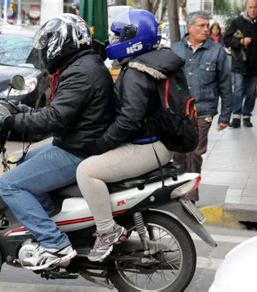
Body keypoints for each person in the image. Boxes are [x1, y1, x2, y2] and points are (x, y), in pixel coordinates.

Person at [0, 14, 115, 270]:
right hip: (77, 140)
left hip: (78, 149)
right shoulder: (81, 65)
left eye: (48, 43)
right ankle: (48, 222)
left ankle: (55, 244)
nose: (45, 49)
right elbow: (62, 111)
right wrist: (22, 111)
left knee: (10, 185)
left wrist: (11, 123)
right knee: (22, 161)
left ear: (61, 42)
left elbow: (55, 118)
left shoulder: (81, 72)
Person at [76, 9, 184, 262]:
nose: (113, 41)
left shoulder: (137, 71)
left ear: (134, 38)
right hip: (158, 143)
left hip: (147, 147)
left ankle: (106, 231)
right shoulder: (151, 61)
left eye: (118, 35)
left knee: (87, 171)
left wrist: (101, 144)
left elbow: (129, 119)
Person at [171, 11, 232, 202]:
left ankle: (190, 197)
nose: (206, 29)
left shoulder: (217, 51)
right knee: (178, 153)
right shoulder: (175, 50)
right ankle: (178, 190)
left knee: (195, 152)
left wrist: (225, 116)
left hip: (203, 111)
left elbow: (225, 84)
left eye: (208, 25)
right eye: (202, 25)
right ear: (190, 28)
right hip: (179, 111)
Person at [224, 0, 257, 128]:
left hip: (256, 63)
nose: (253, 10)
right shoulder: (237, 22)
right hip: (239, 62)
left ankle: (246, 115)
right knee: (238, 89)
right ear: (247, 8)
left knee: (251, 92)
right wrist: (240, 41)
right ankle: (236, 116)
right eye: (250, 7)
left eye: (255, 7)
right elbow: (227, 39)